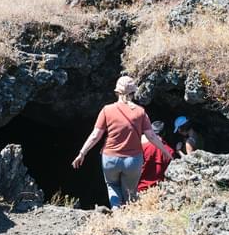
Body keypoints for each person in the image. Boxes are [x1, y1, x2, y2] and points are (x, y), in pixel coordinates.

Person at [72, 77, 172, 209]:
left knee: (112, 185)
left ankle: (116, 211)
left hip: (110, 159)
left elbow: (95, 135)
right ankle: (127, 215)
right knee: (129, 192)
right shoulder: (140, 112)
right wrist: (166, 152)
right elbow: (152, 136)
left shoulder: (107, 110)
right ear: (133, 93)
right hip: (133, 160)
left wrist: (82, 153)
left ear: (117, 92)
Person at [138, 121, 174, 192]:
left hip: (140, 188)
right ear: (164, 133)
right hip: (158, 190)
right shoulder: (170, 151)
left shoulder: (143, 147)